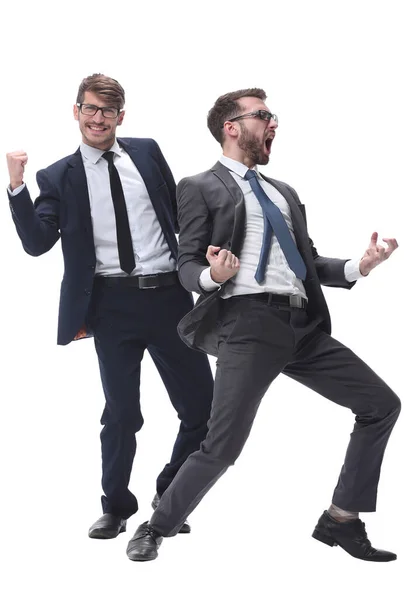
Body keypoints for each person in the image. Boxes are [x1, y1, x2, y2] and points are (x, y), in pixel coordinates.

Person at [127, 88, 400, 563]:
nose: (273, 123)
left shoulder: (283, 191)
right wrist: (214, 275)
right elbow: (185, 265)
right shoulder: (199, 185)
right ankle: (156, 526)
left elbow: (309, 262)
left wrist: (361, 265)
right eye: (263, 115)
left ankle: (341, 519)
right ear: (231, 126)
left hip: (302, 326)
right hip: (247, 324)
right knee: (222, 446)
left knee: (381, 405)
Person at [6, 73, 213, 542]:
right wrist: (17, 188)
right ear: (75, 111)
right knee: (121, 413)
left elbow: (179, 218)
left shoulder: (147, 151)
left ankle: (170, 495)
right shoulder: (58, 176)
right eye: (90, 109)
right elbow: (37, 244)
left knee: (204, 406)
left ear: (122, 116)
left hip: (169, 298)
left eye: (108, 111)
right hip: (112, 305)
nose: (98, 118)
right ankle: (116, 507)